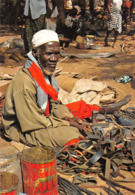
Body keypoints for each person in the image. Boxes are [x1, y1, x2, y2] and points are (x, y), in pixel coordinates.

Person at [2, 30, 131, 148]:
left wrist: (68, 118)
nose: (54, 59)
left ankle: (105, 109)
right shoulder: (25, 82)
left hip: (42, 116)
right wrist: (67, 124)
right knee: (70, 134)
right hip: (22, 128)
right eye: (49, 54)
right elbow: (32, 121)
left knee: (75, 108)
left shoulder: (43, 72)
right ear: (36, 53)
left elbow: (52, 102)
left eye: (57, 53)